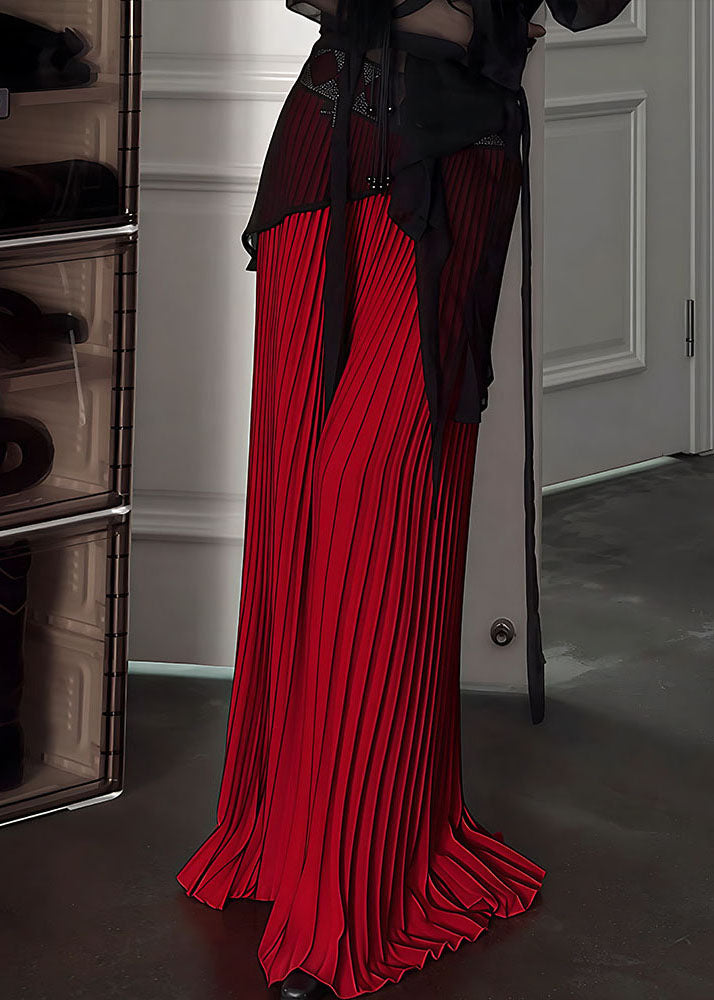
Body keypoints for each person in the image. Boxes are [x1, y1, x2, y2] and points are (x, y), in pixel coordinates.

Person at [176, 3, 632, 998]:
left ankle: (355, 887)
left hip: (457, 166)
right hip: (323, 148)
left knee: (374, 502)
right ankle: (278, 835)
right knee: (298, 498)